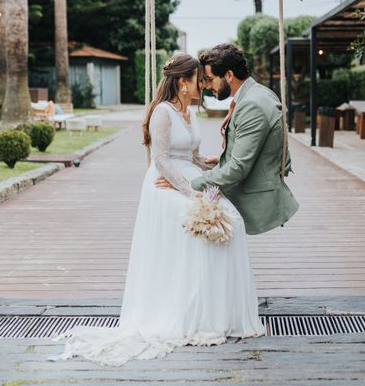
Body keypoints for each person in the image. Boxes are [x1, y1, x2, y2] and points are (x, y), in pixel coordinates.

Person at [53, 53, 265, 366]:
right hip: (164, 185)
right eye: (198, 80)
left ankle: (221, 312)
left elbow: (192, 155)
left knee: (231, 218)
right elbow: (163, 160)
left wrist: (215, 165)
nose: (203, 85)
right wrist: (191, 192)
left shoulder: (190, 113)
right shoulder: (162, 113)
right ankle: (190, 311)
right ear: (182, 83)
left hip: (188, 177)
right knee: (199, 228)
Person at [156, 43, 299, 235]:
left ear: (229, 75)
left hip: (256, 194)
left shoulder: (252, 104)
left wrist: (189, 184)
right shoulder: (258, 93)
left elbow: (239, 167)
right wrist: (223, 160)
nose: (206, 86)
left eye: (209, 79)